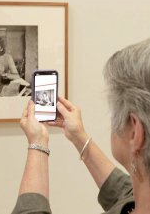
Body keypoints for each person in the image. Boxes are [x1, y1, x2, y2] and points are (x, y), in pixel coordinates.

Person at [12, 38, 150, 214]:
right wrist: (78, 136)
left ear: (134, 132)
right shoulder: (141, 197)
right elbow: (126, 194)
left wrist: (37, 142)